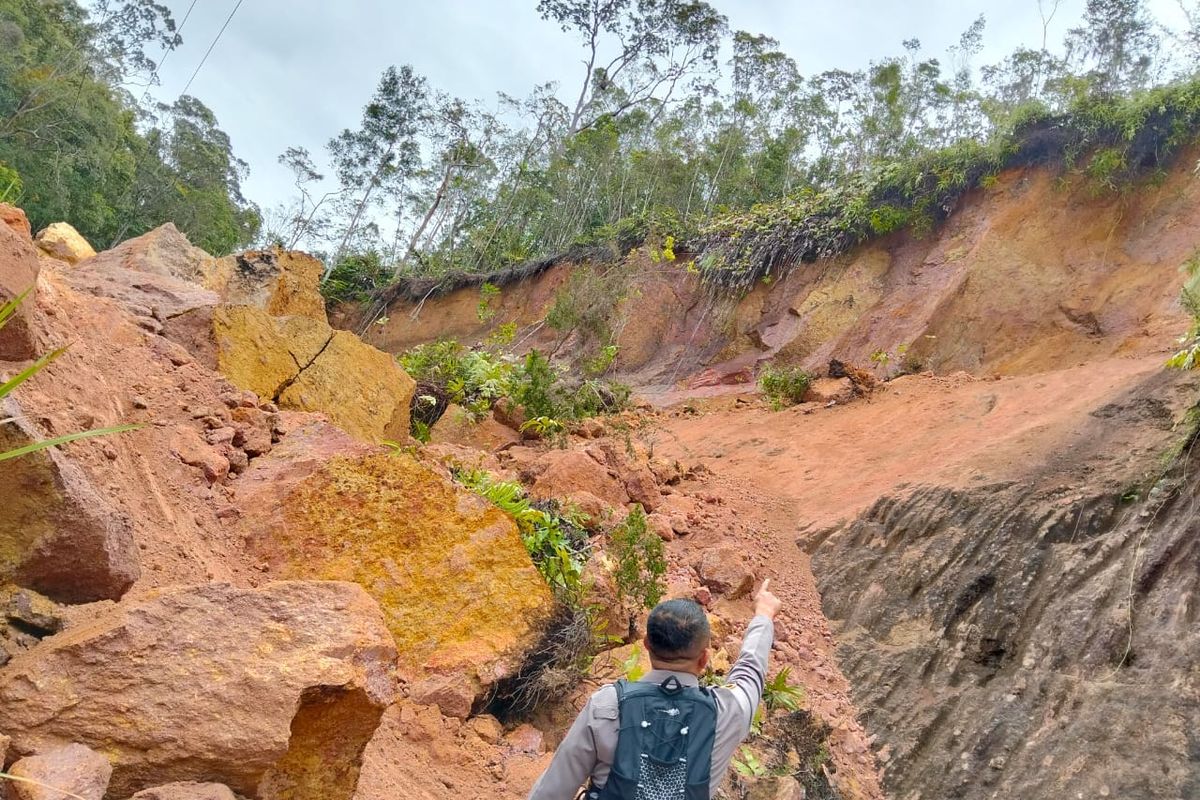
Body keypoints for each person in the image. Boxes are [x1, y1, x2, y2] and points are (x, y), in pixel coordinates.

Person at [528, 579, 782, 799]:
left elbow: (552, 791)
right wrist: (763, 615)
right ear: (704, 659)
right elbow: (751, 670)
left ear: (647, 645)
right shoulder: (728, 711)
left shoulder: (606, 705)